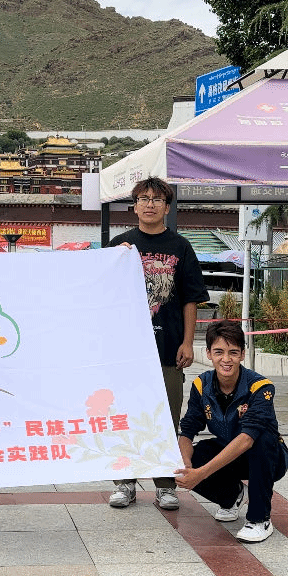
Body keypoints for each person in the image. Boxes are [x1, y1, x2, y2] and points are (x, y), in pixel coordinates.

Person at [107, 177, 208, 511]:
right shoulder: (120, 245)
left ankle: (166, 485)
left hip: (167, 349)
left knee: (166, 419)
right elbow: (103, 294)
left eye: (157, 199)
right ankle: (124, 482)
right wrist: (114, 259)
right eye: (143, 198)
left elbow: (191, 299)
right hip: (126, 352)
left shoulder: (181, 247)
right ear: (134, 206)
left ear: (167, 207)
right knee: (126, 416)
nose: (150, 204)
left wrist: (188, 342)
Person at [175, 320, 288, 543]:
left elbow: (247, 439)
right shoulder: (201, 385)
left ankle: (260, 520)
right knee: (190, 455)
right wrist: (187, 466)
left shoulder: (261, 387)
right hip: (231, 453)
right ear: (208, 353)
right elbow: (187, 430)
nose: (226, 359)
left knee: (262, 439)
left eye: (233, 352)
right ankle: (232, 497)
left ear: (242, 354)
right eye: (219, 352)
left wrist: (201, 474)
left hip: (268, 458)